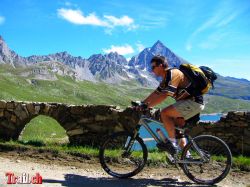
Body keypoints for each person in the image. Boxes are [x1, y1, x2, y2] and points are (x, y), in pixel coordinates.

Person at [141, 56, 205, 155]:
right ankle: (187, 157)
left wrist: (147, 106)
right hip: (189, 104)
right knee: (177, 131)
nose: (152, 70)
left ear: (161, 65)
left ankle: (172, 144)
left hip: (194, 102)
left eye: (153, 67)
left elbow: (165, 95)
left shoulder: (173, 73)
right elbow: (156, 93)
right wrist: (143, 103)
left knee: (165, 113)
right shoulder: (165, 78)